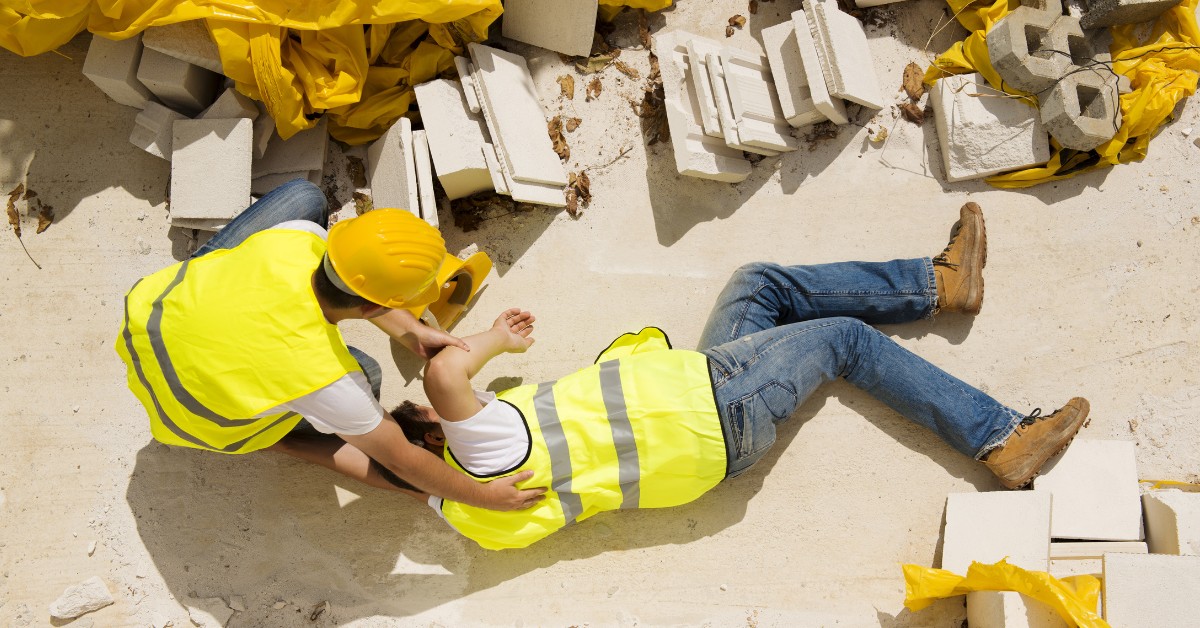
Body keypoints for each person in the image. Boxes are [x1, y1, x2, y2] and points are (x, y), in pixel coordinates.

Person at [393, 203, 1090, 549]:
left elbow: (386, 465)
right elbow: (447, 374)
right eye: (437, 420)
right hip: (714, 406)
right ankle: (1001, 439)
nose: (467, 403)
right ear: (435, 440)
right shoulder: (485, 451)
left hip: (703, 410)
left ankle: (941, 283)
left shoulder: (469, 514)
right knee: (845, 340)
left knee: (758, 284)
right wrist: (494, 339)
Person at [115, 179, 546, 512]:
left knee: (304, 196)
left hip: (149, 321)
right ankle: (271, 436)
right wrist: (482, 496)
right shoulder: (330, 380)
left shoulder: (297, 238)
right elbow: (401, 462)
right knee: (371, 377)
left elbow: (354, 287)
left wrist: (410, 330)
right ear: (375, 304)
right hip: (195, 419)